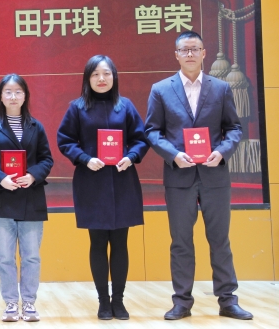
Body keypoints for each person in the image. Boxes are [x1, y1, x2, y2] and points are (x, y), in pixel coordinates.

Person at [145, 31, 252, 320]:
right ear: (176, 55)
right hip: (179, 177)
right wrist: (173, 155)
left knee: (220, 240)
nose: (190, 54)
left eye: (195, 49)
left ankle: (228, 300)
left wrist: (222, 151)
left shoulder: (221, 88)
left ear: (205, 53)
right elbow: (152, 131)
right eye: (185, 49)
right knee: (181, 241)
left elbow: (234, 128)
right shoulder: (161, 89)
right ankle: (182, 301)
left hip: (215, 175)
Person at [57, 56, 148, 320]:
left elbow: (140, 139)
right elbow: (65, 140)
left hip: (122, 181)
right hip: (91, 182)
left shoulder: (125, 106)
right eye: (95, 74)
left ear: (114, 77)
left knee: (120, 242)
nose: (101, 79)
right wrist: (85, 158)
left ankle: (118, 300)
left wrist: (131, 156)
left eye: (106, 73)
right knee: (97, 242)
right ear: (87, 78)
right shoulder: (77, 108)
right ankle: (103, 301)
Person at [0, 74, 54, 322]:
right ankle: (10, 303)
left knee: (31, 256)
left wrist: (33, 175)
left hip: (31, 198)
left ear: (25, 96)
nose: (13, 96)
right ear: (0, 96)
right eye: (8, 92)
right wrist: (1, 179)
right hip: (1, 199)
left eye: (18, 92)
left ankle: (29, 302)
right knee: (5, 257)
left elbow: (46, 159)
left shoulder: (36, 126)